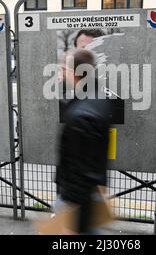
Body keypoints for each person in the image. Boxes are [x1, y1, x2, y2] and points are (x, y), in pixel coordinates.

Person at [55, 48, 112, 234]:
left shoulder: (81, 114)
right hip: (92, 194)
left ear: (74, 73)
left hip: (76, 201)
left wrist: (73, 222)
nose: (60, 72)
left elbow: (80, 171)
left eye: (63, 68)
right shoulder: (96, 98)